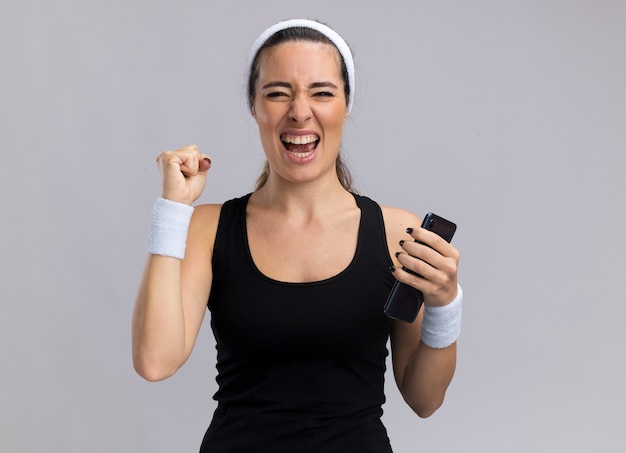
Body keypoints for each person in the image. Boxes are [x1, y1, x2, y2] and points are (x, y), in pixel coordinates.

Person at [132, 19, 462, 452]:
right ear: (254, 106)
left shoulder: (396, 232)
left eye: (322, 92)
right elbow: (155, 361)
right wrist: (172, 211)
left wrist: (445, 304)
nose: (300, 112)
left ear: (346, 105)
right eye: (277, 93)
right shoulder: (208, 228)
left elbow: (424, 399)